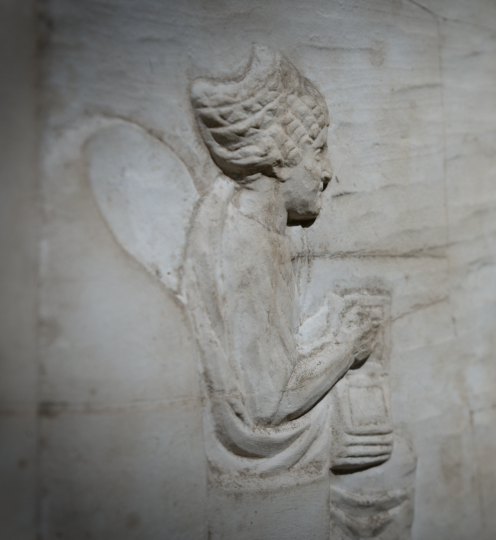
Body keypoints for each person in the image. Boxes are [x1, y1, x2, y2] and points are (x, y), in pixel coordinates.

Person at [183, 44, 392, 486]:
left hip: (267, 419)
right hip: (261, 444)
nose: (327, 170)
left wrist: (332, 328)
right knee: (386, 456)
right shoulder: (246, 242)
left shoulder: (242, 215)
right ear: (280, 159)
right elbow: (269, 402)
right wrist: (349, 346)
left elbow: (268, 351)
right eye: (317, 151)